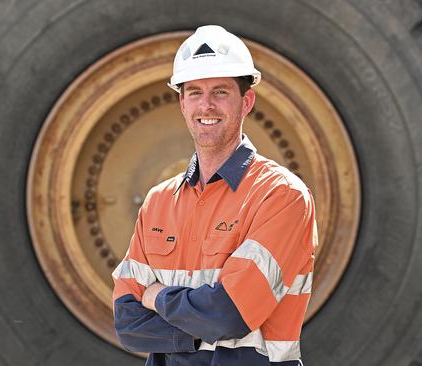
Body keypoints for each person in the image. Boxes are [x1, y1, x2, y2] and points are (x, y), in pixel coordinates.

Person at [112, 25, 317, 366]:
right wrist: (198, 323)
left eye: (220, 92)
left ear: (246, 101)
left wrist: (156, 295)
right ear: (182, 103)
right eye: (194, 92)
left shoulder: (281, 196)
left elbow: (228, 315)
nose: (205, 105)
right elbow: (128, 323)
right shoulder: (159, 200)